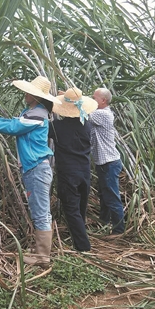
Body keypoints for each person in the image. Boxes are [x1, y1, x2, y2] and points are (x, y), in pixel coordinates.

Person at [0, 76, 60, 266]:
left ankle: (42, 256)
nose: (25, 94)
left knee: (40, 211)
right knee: (40, 210)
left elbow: (15, 127)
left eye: (28, 92)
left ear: (36, 96)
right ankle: (40, 250)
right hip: (36, 167)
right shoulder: (34, 112)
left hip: (37, 168)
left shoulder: (37, 113)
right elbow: (15, 121)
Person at [50, 87, 98, 251]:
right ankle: (79, 238)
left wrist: (57, 101)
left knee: (71, 209)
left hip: (68, 174)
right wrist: (68, 100)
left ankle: (83, 246)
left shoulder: (57, 127)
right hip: (84, 172)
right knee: (80, 208)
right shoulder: (87, 125)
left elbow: (42, 127)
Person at [90, 87, 125, 235]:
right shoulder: (101, 113)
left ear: (103, 100)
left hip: (109, 163)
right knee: (104, 196)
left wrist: (70, 99)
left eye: (95, 97)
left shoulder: (103, 114)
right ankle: (104, 223)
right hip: (104, 163)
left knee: (111, 197)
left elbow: (83, 112)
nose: (92, 100)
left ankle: (119, 231)